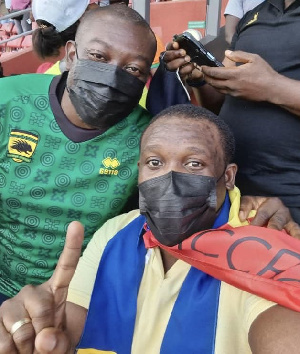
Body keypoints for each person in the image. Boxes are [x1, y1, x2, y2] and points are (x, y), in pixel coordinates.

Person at [1, 104, 300, 354]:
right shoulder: (116, 231)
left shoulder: (260, 247)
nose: (169, 179)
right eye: (154, 162)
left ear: (228, 176)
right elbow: (72, 328)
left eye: (194, 164)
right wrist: (46, 331)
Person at [0, 4, 157, 303]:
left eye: (133, 68)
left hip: (83, 298)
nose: (111, 77)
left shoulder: (148, 138)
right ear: (72, 55)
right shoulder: (8, 102)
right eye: (98, 56)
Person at [163, 0, 300, 224]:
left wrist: (272, 87)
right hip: (232, 194)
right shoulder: (256, 14)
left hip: (290, 200)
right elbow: (223, 103)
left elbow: (262, 86)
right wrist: (200, 79)